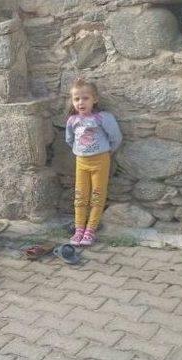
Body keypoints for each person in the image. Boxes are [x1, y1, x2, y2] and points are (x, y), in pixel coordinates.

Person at [65, 78, 122, 246]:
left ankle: (91, 229)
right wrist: (81, 152)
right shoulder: (72, 121)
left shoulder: (103, 118)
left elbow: (116, 137)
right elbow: (69, 140)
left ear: (94, 99)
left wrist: (106, 151)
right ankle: (79, 229)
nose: (80, 102)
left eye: (85, 98)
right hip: (81, 162)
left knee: (97, 195)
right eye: (76, 99)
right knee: (80, 196)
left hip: (101, 161)